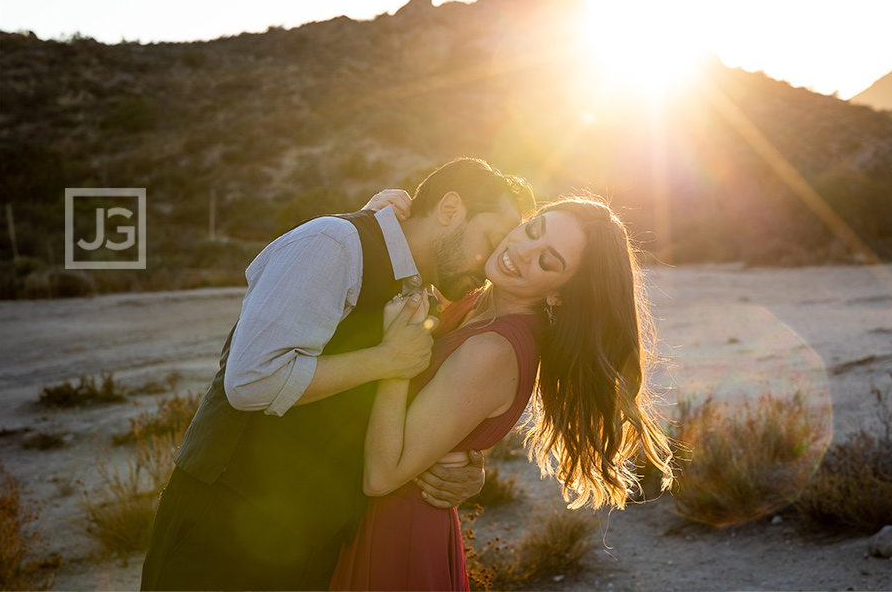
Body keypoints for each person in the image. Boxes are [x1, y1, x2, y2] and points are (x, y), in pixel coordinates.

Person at [140, 158, 535, 591]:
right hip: (224, 522)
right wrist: (385, 360)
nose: (491, 263)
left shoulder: (419, 286)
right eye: (492, 240)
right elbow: (250, 380)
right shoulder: (334, 243)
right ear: (449, 209)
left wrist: (465, 462)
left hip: (313, 538)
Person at [330, 196, 675, 591]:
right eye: (532, 230)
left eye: (548, 261)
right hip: (369, 518)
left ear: (559, 294)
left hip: (394, 535)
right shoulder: (473, 298)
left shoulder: (494, 350)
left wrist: (396, 359)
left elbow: (382, 476)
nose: (522, 252)